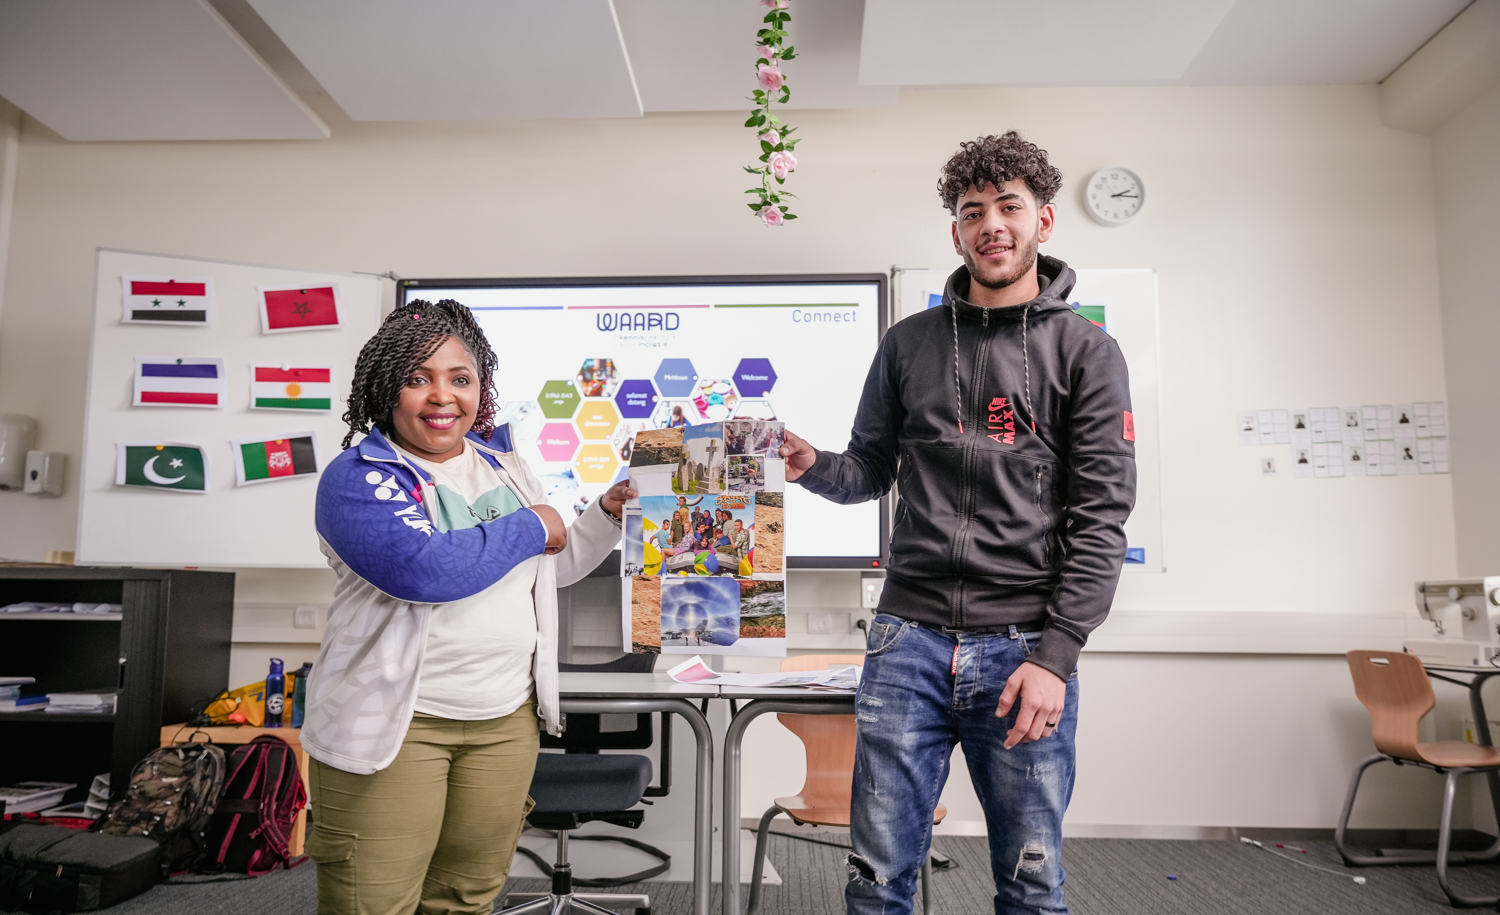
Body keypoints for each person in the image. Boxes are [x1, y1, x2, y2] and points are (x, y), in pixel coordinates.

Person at [779, 133, 1136, 915]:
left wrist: (1057, 655)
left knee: (1032, 884)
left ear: (1043, 220)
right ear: (956, 232)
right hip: (907, 640)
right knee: (877, 879)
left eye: (1009, 207)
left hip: (1023, 652)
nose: (992, 225)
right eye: (973, 212)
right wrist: (812, 465)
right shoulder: (907, 343)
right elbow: (868, 471)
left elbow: (1102, 517)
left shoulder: (1086, 352)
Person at [302, 299, 633, 915]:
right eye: (417, 378)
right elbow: (424, 570)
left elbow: (546, 567)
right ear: (385, 389)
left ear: (482, 390)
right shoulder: (357, 476)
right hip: (399, 727)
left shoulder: (502, 467)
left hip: (503, 721)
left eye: (460, 379)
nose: (442, 396)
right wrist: (533, 525)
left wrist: (606, 514)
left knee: (465, 897)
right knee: (371, 904)